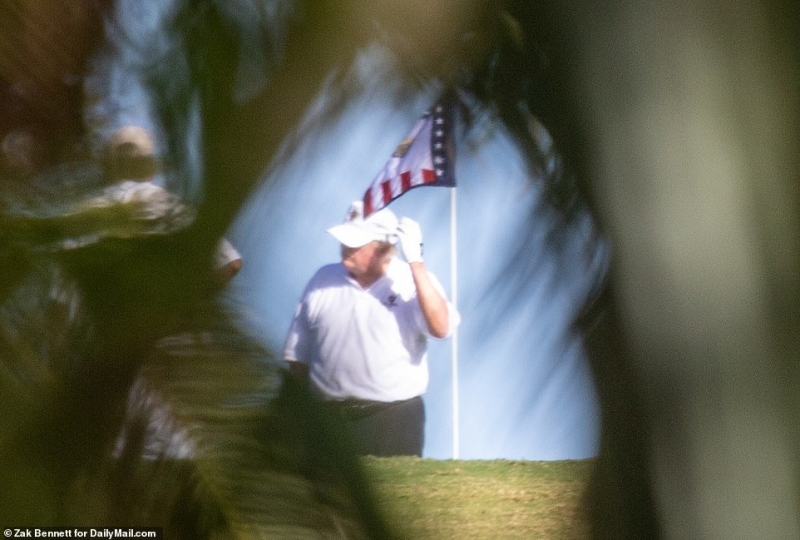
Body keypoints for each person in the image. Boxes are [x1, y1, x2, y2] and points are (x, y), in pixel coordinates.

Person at [283, 200, 460, 457]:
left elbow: (441, 327)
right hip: (328, 420)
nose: (346, 249)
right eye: (345, 240)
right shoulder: (322, 279)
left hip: (392, 421)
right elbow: (298, 357)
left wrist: (416, 263)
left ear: (383, 249)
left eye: (356, 244)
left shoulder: (411, 283)